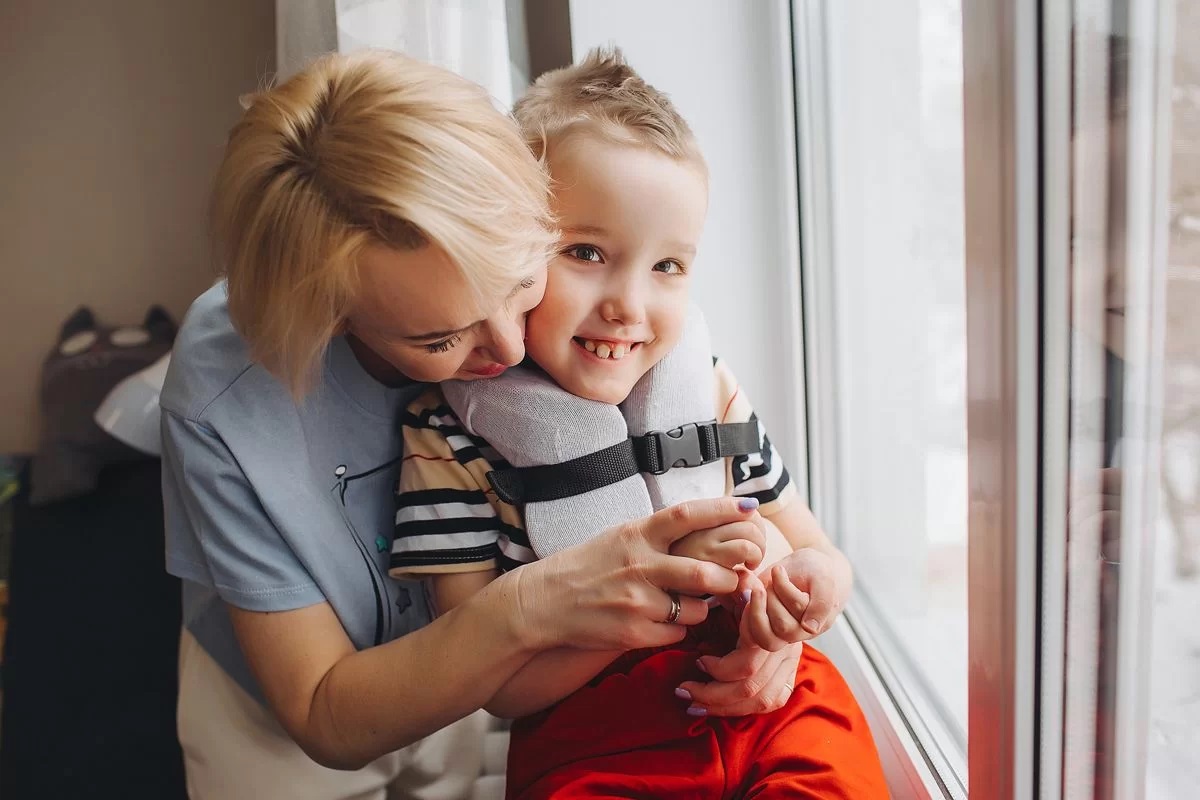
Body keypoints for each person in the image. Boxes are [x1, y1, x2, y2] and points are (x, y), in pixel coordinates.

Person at [161, 50, 789, 800]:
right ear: (336, 320)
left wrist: (773, 621)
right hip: (287, 719)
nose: (513, 348)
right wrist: (532, 604)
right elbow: (321, 713)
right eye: (440, 339)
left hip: (468, 667)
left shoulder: (601, 313)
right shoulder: (224, 403)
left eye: (522, 281)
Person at [389, 48, 887, 798]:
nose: (629, 304)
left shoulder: (708, 389)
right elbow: (499, 691)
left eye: (668, 267)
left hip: (774, 701)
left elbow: (823, 557)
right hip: (591, 742)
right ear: (515, 247)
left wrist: (797, 607)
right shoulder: (449, 434)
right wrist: (662, 593)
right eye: (586, 252)